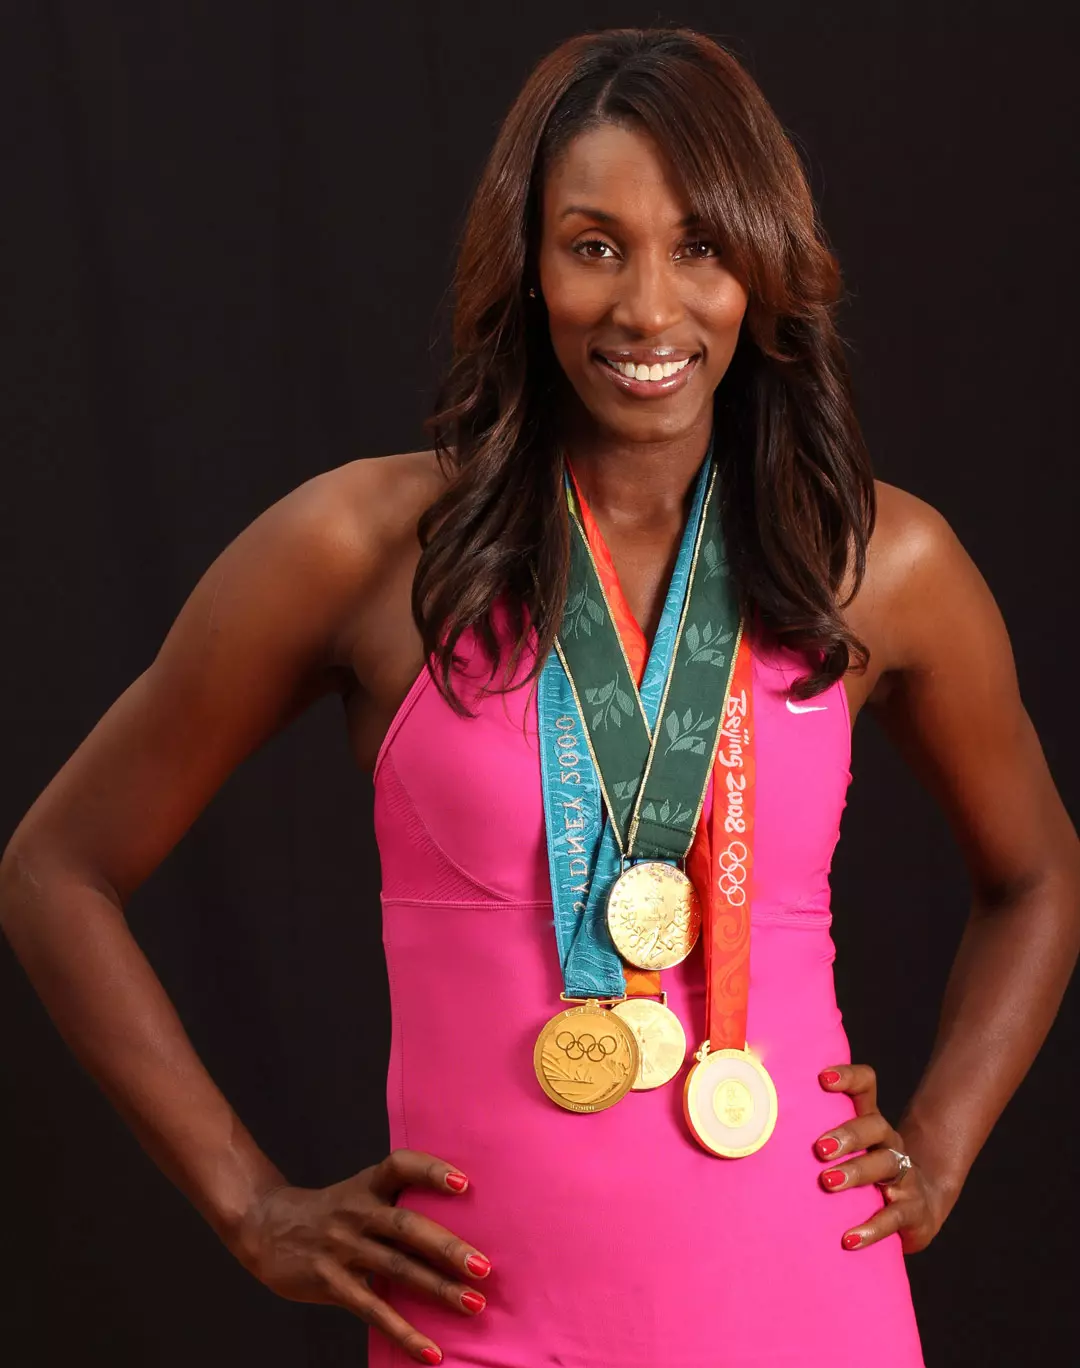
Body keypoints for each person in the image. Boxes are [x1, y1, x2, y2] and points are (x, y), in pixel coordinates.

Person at [1, 25, 1077, 1368]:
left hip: (810, 1303)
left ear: (762, 268)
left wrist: (944, 1145)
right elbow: (59, 870)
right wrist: (252, 1206)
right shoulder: (363, 546)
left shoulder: (881, 562)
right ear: (526, 268)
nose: (647, 309)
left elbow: (1038, 873)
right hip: (488, 1325)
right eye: (594, 244)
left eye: (699, 245)